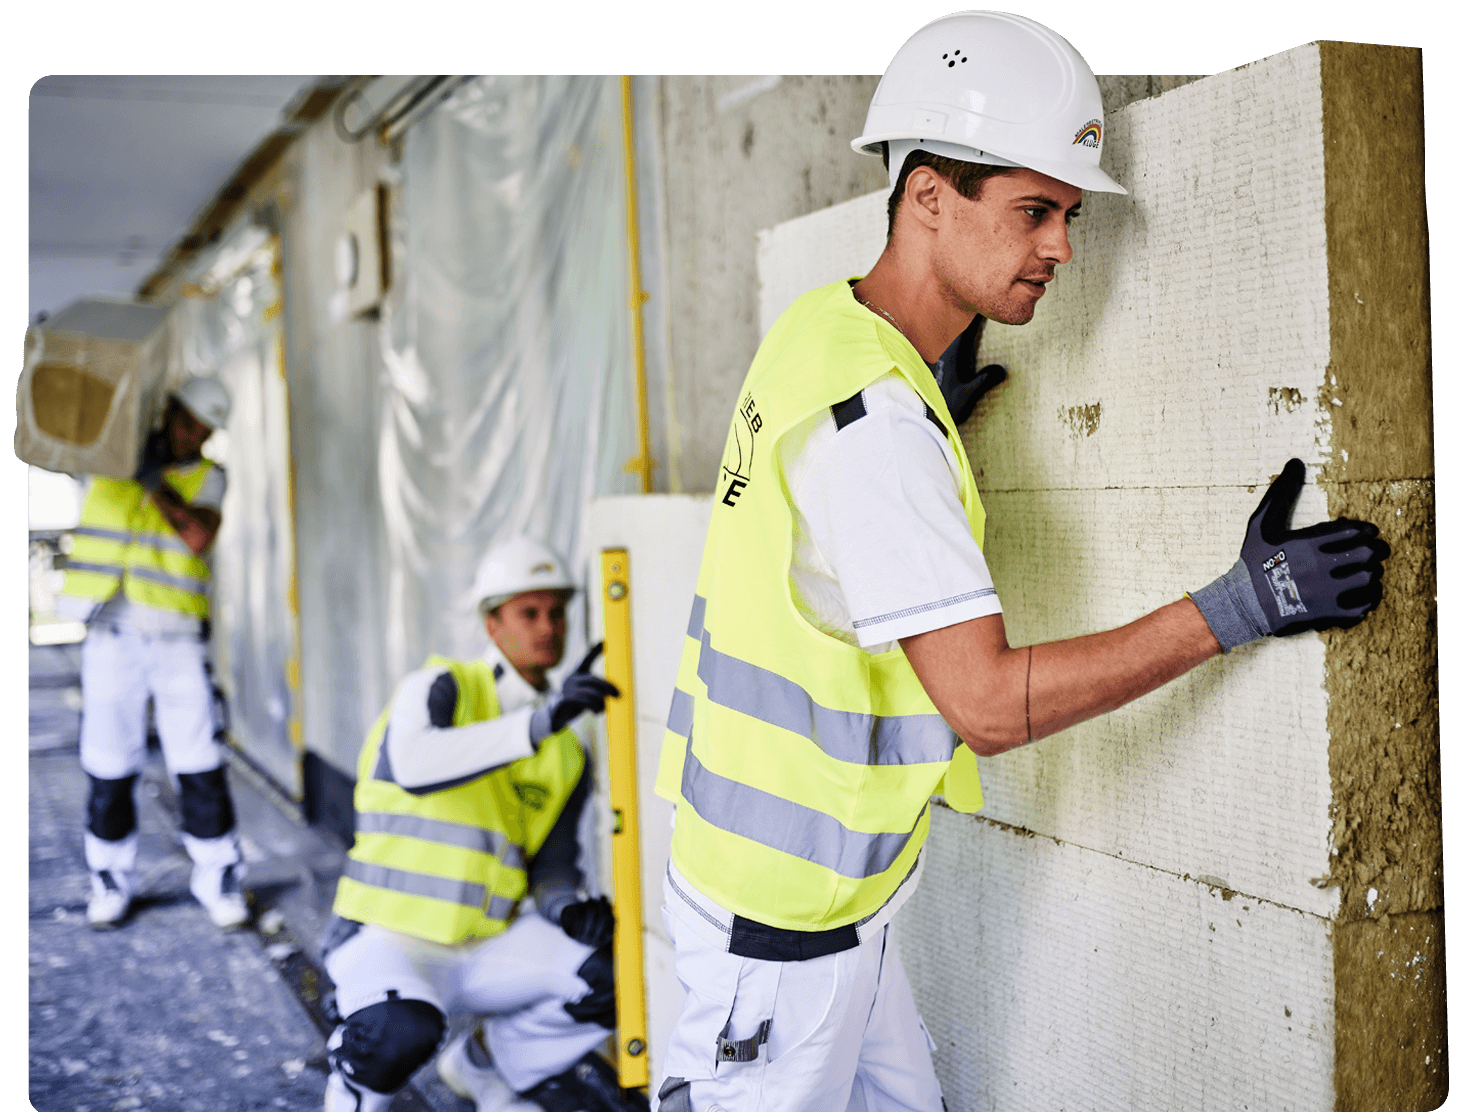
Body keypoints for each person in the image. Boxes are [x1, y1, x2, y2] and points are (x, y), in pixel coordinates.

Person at [652, 13, 1391, 1112]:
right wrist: (1243, 603)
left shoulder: (824, 332)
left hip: (815, 902)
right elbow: (989, 706)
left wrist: (923, 416)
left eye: (1069, 214)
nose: (1061, 247)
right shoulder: (876, 425)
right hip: (779, 945)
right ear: (928, 197)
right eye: (1034, 211)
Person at [322, 536, 644, 1112]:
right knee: (396, 1038)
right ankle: (352, 1085)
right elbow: (419, 766)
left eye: (557, 612)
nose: (548, 626)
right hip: (386, 937)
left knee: (620, 976)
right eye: (529, 612)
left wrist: (566, 906)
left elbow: (550, 867)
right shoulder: (439, 687)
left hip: (487, 945)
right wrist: (539, 722)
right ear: (492, 626)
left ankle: (482, 1067)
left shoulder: (567, 748)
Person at [57, 375, 248, 932]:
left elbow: (197, 537)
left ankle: (218, 876)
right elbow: (57, 441)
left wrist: (154, 484)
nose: (195, 436)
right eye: (188, 422)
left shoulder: (208, 477)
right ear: (168, 411)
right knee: (108, 759)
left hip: (176, 637)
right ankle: (110, 878)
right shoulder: (107, 460)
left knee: (199, 759)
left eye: (206, 430)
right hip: (110, 631)